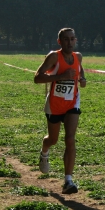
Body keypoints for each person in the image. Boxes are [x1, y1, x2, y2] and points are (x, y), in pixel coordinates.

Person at [34, 28, 87, 195]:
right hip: (55, 105)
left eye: (72, 39)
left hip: (72, 103)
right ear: (59, 41)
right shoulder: (54, 57)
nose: (69, 42)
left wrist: (83, 78)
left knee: (70, 139)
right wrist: (61, 76)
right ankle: (44, 150)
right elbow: (37, 77)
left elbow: (80, 70)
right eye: (66, 39)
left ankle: (68, 180)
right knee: (53, 139)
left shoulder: (78, 56)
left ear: (75, 40)